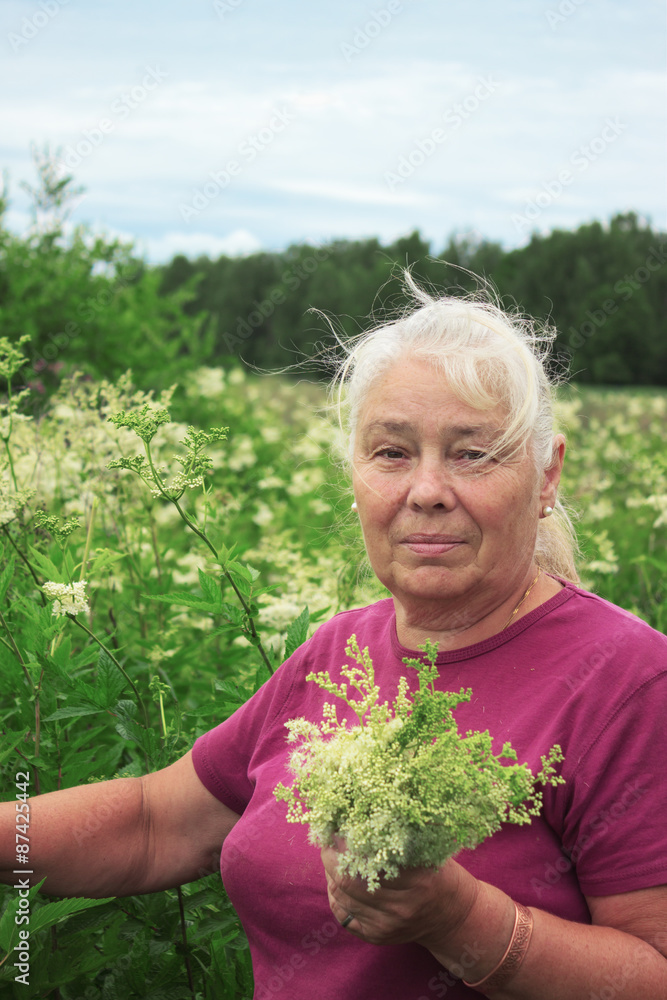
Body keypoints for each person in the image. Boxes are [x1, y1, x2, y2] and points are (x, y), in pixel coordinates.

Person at [2, 279, 667, 999]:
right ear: (353, 473)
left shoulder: (628, 681)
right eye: (391, 452)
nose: (426, 490)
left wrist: (460, 920)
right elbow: (153, 823)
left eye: (472, 454)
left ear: (545, 476)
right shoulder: (338, 654)